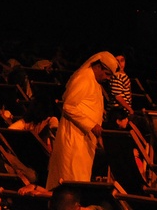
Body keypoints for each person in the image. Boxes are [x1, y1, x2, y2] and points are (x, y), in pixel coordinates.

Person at [45, 52, 117, 189]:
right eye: (107, 74)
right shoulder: (84, 79)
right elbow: (68, 106)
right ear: (99, 67)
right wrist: (91, 125)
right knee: (71, 182)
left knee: (78, 181)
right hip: (74, 140)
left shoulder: (93, 80)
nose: (107, 78)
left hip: (82, 141)